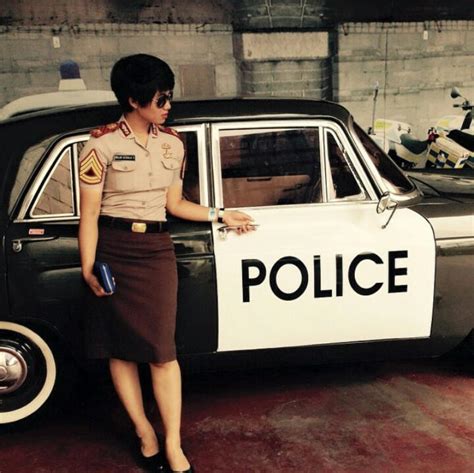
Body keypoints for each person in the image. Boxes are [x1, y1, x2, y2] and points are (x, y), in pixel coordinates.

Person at [78, 54, 253, 473]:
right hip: (114, 249)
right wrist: (88, 267)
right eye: (161, 99)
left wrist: (220, 214)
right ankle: (145, 432)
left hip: (156, 251)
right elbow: (90, 214)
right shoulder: (99, 145)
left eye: (168, 97)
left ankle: (173, 443)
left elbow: (175, 204)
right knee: (120, 348)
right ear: (134, 100)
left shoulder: (173, 143)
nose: (168, 106)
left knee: (162, 350)